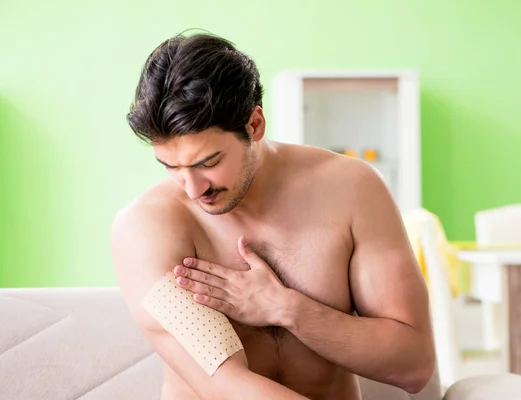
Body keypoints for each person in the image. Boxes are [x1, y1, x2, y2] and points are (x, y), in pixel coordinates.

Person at [111, 31, 435, 400]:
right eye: (171, 167)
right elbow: (226, 385)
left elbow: (414, 366)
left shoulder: (352, 190)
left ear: (255, 125)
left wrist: (288, 309)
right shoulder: (146, 227)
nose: (192, 189)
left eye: (209, 162)